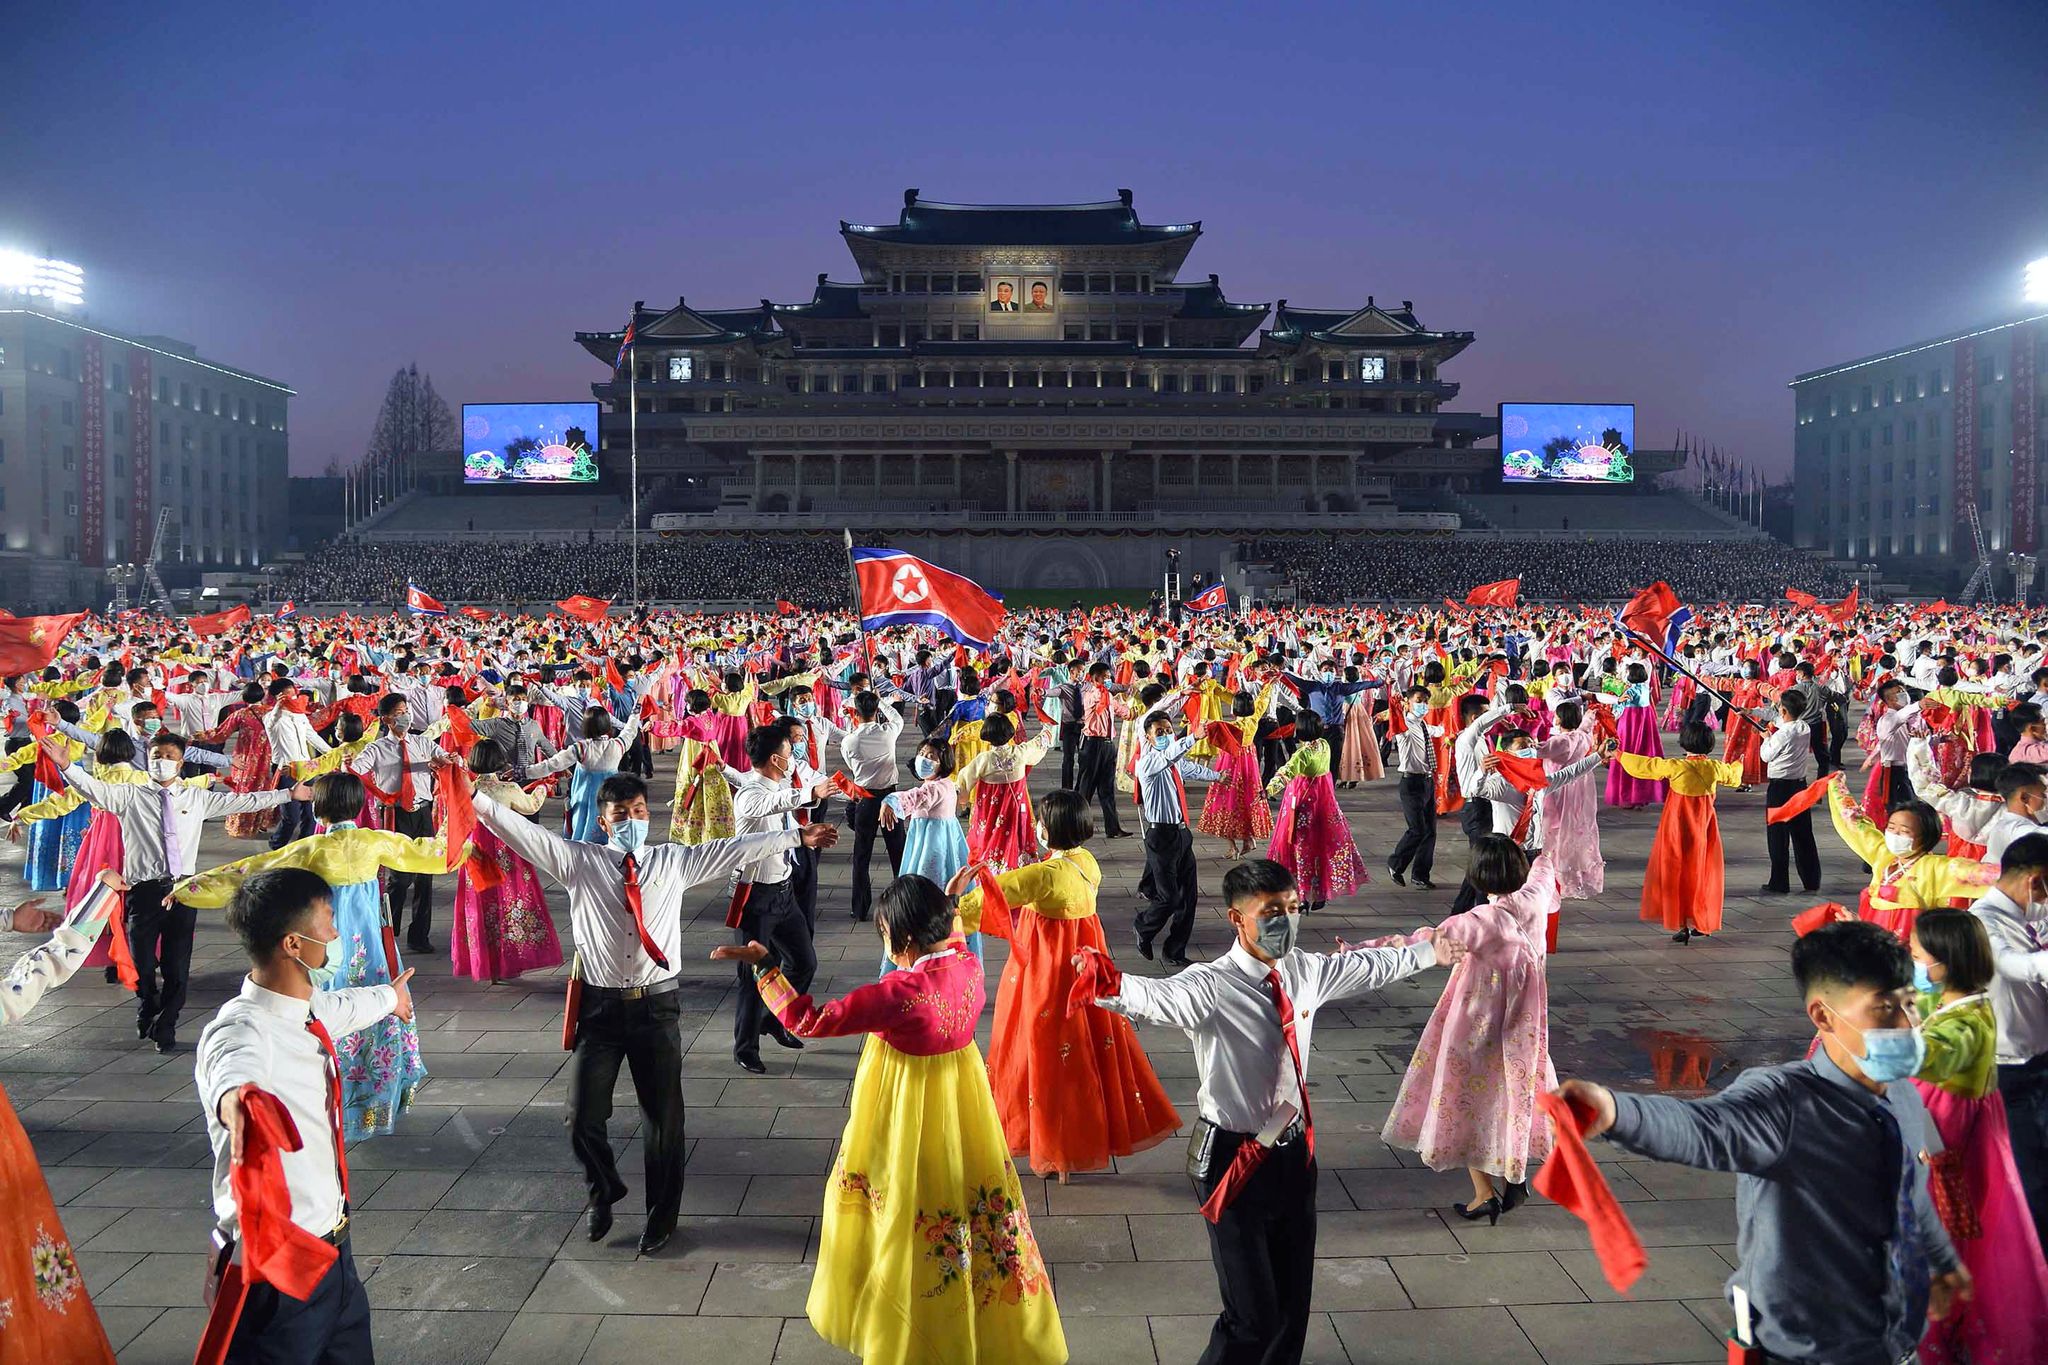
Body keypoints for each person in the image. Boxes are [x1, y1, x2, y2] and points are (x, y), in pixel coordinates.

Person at [1075, 858, 1464, 1365]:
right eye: (1273, 910)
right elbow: (1157, 996)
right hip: (1233, 1161)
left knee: (1290, 1307)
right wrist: (1109, 984)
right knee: (1251, 1316)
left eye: (1294, 908)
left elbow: (1366, 968)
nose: (1287, 920)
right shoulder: (1211, 987)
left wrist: (1426, 953)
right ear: (1238, 918)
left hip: (1294, 1155)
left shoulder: (1303, 971)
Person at [1556, 920, 1971, 1365]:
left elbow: (1911, 1189)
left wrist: (1941, 1261)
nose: (1909, 1024)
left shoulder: (1902, 1091)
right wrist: (1616, 1111)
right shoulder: (1786, 1103)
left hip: (1896, 1340)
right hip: (1807, 1350)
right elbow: (1702, 1127)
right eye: (1885, 1009)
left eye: (1911, 1004)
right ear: (1822, 1016)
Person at [470, 770, 834, 1254]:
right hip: (599, 1010)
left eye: (639, 812)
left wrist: (795, 835)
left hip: (657, 1008)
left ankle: (662, 1216)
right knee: (581, 1117)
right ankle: (604, 1189)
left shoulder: (673, 862)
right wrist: (468, 792)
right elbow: (519, 830)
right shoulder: (579, 861)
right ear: (602, 822)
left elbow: (736, 848)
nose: (632, 821)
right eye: (621, 815)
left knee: (664, 1121)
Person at [712, 876, 1067, 1364]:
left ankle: (904, 1312)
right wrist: (946, 898)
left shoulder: (899, 991)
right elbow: (954, 934)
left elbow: (809, 1020)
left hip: (907, 1101)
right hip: (962, 1096)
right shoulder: (967, 965)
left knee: (903, 1194)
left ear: (901, 941)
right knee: (965, 1194)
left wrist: (767, 968)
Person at [195, 867, 419, 1363]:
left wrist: (391, 999)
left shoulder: (305, 1010)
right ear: (294, 944)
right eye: (329, 922)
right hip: (278, 1265)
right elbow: (232, 1070)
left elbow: (343, 1006)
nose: (337, 934)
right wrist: (241, 1103)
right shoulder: (242, 1030)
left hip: (334, 1252)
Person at [175, 771, 446, 1138]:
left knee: (325, 1014)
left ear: (318, 808)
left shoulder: (310, 849)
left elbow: (250, 872)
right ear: (359, 805)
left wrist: (189, 889)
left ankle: (331, 1102)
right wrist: (464, 832)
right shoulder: (374, 841)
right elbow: (432, 853)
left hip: (325, 946)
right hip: (370, 947)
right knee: (381, 1005)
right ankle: (375, 1105)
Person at [956, 790, 1180, 1178]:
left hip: (1046, 969)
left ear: (1050, 828)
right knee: (1081, 1047)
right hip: (1086, 963)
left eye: (1042, 821)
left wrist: (951, 907)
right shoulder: (1086, 862)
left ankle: (1051, 1146)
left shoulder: (1043, 874)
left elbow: (996, 894)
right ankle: (1073, 1145)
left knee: (1037, 1047)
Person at [52, 734, 303, 1052]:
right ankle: (147, 1003)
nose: (161, 760)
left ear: (180, 761)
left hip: (185, 890)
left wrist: (287, 794)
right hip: (143, 891)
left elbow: (245, 800)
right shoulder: (131, 796)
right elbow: (94, 790)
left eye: (169, 755)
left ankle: (167, 1024)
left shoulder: (196, 798)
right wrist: (67, 767)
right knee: (142, 962)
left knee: (177, 965)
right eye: (156, 754)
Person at [1382, 838, 1560, 1223]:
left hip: (1477, 1021)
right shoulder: (1537, 896)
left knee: (1465, 1098)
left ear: (1477, 875)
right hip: (1525, 1024)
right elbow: (1548, 865)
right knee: (1514, 1092)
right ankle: (1514, 1173)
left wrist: (1363, 951)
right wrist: (1543, 839)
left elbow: (1422, 944)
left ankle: (1485, 1193)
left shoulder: (1477, 922)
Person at [1907, 907, 2048, 1362]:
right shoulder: (1955, 1000)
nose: (1912, 963)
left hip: (1947, 1148)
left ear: (1943, 962)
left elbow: (1926, 1053)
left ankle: (1936, 1333)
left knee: (1940, 1242)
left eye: (1916, 955)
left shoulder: (1968, 1023)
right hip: (1945, 1139)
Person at [729, 725, 837, 1074]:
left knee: (804, 962)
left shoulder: (775, 785)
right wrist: (808, 793)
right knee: (752, 976)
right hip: (755, 897)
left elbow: (786, 820)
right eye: (790, 754)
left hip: (783, 891)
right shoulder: (750, 794)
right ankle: (745, 1047)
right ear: (776, 759)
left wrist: (805, 832)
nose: (793, 759)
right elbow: (774, 803)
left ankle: (775, 1019)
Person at [1968, 832, 2048, 1239]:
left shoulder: (2032, 914)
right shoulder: (1983, 920)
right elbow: (2012, 965)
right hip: (2008, 1071)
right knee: (2031, 1183)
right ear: (2036, 881)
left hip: (2040, 1062)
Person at [1616, 720, 1744, 944]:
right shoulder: (1714, 768)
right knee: (1702, 871)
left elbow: (1647, 766)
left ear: (1685, 743)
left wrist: (1618, 755)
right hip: (1703, 826)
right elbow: (1734, 776)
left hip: (1676, 826)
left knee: (1677, 870)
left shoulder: (1676, 766)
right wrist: (1739, 763)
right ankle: (1702, 920)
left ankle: (1681, 923)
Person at [449, 739, 563, 983]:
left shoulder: (464, 789)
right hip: (507, 851)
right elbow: (531, 807)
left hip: (476, 853)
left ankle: (484, 962)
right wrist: (543, 787)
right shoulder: (507, 790)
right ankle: (509, 960)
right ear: (499, 761)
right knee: (510, 901)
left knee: (480, 904)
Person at [1829, 780, 1992, 941]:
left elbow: (1975, 873)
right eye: (1891, 828)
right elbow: (1857, 826)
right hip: (1874, 949)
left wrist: (2014, 874)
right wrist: (1836, 787)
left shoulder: (1934, 868)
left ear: (1926, 836)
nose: (1895, 834)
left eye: (1904, 831)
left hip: (1912, 956)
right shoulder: (1883, 857)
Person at [348, 695, 443, 954]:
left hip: (423, 814)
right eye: (399, 712)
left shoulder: (423, 743)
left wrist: (449, 762)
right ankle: (388, 930)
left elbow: (446, 759)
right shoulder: (376, 749)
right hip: (395, 814)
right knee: (399, 879)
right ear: (386, 718)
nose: (405, 716)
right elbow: (356, 772)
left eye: (406, 711)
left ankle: (419, 936)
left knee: (425, 876)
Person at [1135, 703, 1222, 966]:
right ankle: (1144, 927)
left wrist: (1218, 777)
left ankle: (1174, 951)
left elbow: (1190, 769)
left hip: (1182, 835)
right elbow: (1169, 756)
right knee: (1169, 898)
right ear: (1148, 737)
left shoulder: (1173, 762)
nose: (1165, 735)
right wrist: (1193, 737)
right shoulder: (1148, 763)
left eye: (1168, 730)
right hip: (1161, 837)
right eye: (1159, 732)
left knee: (1188, 899)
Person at [1264, 712, 1363, 911]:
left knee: (1299, 847)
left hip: (1303, 805)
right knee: (1321, 846)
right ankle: (1319, 893)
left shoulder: (1303, 754)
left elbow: (1286, 772)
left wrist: (1268, 790)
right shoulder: (1324, 745)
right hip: (1323, 803)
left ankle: (1301, 894)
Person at [839, 689, 906, 922]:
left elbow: (850, 765)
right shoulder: (889, 733)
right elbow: (897, 718)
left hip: (865, 799)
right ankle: (903, 903)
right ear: (876, 711)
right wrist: (882, 703)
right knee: (898, 852)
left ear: (855, 714)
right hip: (890, 798)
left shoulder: (849, 741)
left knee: (861, 855)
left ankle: (859, 908)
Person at [1535, 699, 1605, 898]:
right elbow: (1587, 725)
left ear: (1560, 718)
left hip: (1559, 787)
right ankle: (1576, 873)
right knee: (1575, 826)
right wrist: (1590, 715)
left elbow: (1536, 750)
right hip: (1579, 786)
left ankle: (1555, 875)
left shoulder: (1560, 742)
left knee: (1554, 828)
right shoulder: (1583, 736)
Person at [1759, 691, 1822, 896]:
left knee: (1778, 835)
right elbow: (1778, 718)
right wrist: (1750, 711)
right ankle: (1811, 880)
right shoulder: (1803, 727)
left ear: (1784, 709)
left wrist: (1767, 738)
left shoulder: (1782, 734)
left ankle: (1779, 882)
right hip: (1799, 786)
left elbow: (1766, 755)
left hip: (1780, 789)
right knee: (1803, 834)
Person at [1384, 685, 1440, 890]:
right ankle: (1395, 864)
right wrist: (1394, 707)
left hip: (1427, 781)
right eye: (1419, 700)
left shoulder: (1423, 724)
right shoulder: (1405, 724)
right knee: (1417, 829)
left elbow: (1438, 730)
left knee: (1430, 831)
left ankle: (1420, 874)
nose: (1423, 704)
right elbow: (1396, 726)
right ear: (1408, 702)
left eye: (1426, 700)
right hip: (1411, 783)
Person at [1604, 662, 1665, 809]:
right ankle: (1641, 795)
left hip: (1629, 724)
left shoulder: (1629, 692)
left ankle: (1628, 796)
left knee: (1626, 754)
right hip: (1644, 725)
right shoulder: (1645, 688)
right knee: (1643, 754)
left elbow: (1617, 711)